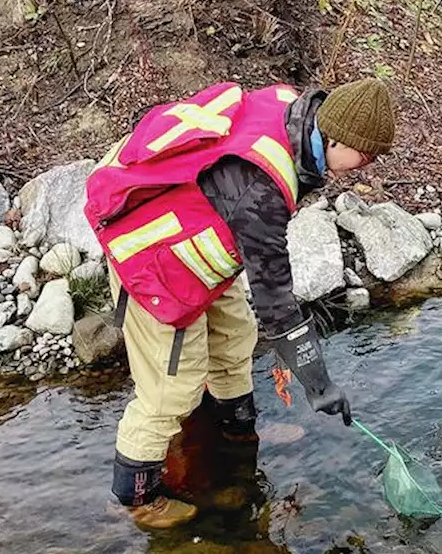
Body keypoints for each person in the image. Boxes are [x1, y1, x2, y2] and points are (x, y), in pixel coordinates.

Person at [84, 76, 396, 530]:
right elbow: (277, 302)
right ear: (335, 136)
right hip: (155, 258)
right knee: (172, 388)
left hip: (202, 241)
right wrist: (319, 385)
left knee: (234, 339)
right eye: (364, 156)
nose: (365, 166)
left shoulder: (296, 111)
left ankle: (238, 434)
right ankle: (135, 497)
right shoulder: (262, 188)